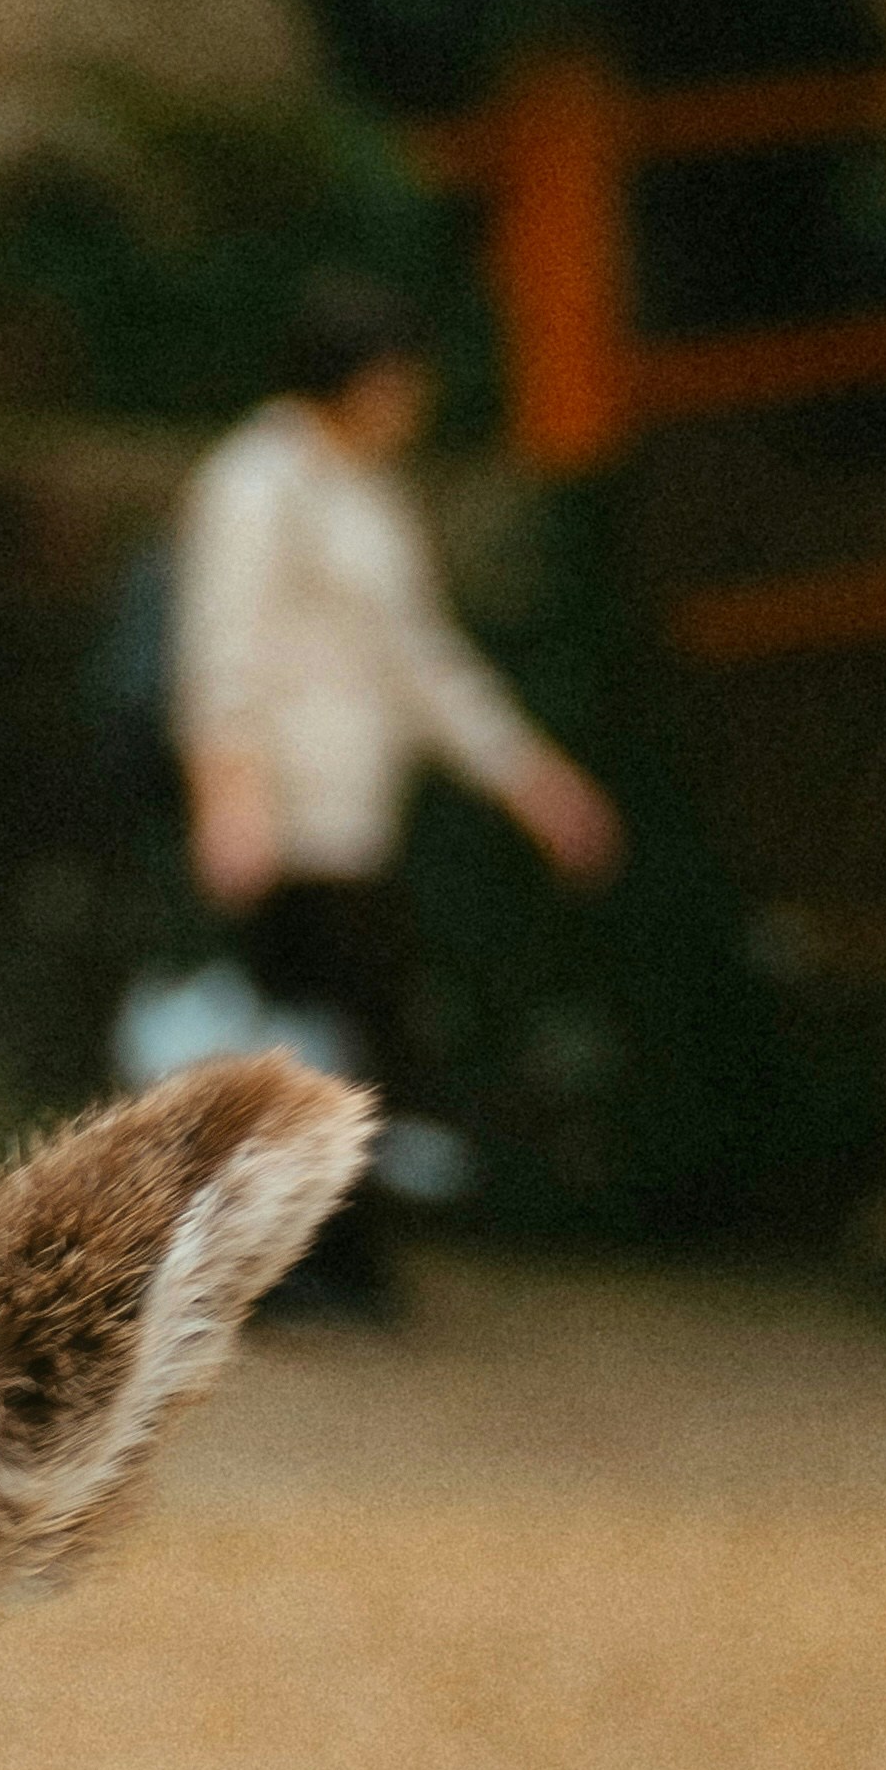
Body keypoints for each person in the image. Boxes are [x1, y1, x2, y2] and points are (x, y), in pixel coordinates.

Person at [165, 271, 617, 1315]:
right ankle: (286, 1267)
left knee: (349, 1045)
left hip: (357, 813)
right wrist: (228, 793)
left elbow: (423, 661)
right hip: (282, 816)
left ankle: (340, 1259)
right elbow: (220, 648)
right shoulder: (256, 481)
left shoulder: (367, 494)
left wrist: (530, 776)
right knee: (299, 1047)